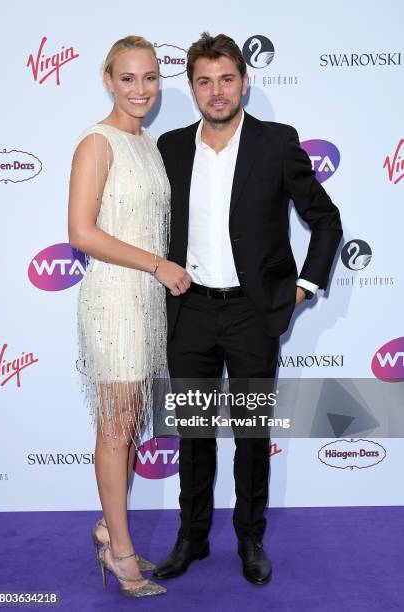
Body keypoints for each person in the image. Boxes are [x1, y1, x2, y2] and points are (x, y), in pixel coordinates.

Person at [153, 32, 343, 585]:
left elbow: (325, 221)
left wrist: (303, 289)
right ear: (191, 88)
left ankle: (249, 538)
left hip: (253, 314)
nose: (216, 92)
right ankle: (192, 538)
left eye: (226, 79)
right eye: (205, 81)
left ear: (245, 81)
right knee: (193, 432)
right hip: (189, 312)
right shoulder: (169, 149)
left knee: (252, 435)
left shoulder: (277, 143)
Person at [68, 35, 191, 599]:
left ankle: (106, 526)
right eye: (127, 78)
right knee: (117, 430)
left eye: (149, 78)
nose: (140, 89)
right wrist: (158, 264)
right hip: (115, 302)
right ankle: (120, 552)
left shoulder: (146, 143)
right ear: (108, 80)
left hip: (147, 305)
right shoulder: (97, 142)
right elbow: (81, 233)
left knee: (129, 426)